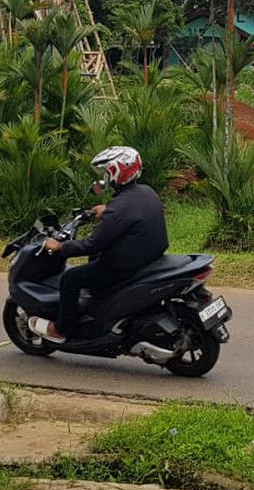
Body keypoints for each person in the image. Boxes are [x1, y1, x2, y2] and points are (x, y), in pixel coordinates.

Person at [27, 145, 169, 344]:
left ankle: (61, 329)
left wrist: (61, 247)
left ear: (117, 171)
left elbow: (92, 244)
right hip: (146, 257)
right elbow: (131, 211)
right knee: (94, 262)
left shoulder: (119, 208)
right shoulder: (146, 191)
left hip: (123, 267)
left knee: (70, 278)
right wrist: (108, 209)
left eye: (107, 172)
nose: (105, 177)